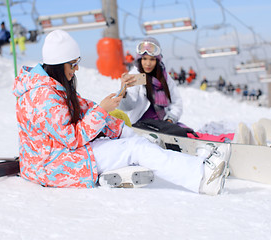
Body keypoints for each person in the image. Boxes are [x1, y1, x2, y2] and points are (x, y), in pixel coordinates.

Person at [12, 30, 228, 195]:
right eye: (73, 64)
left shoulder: (53, 86)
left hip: (60, 156)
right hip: (54, 165)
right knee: (135, 149)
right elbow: (71, 137)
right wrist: (103, 112)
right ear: (59, 64)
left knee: (135, 142)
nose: (76, 68)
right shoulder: (43, 96)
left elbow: (86, 108)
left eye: (78, 63)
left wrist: (120, 129)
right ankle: (202, 177)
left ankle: (172, 160)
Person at [119, 37, 183, 125]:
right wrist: (124, 93)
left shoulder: (164, 77)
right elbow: (128, 106)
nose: (148, 63)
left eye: (152, 59)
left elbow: (176, 103)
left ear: (157, 60)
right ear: (140, 59)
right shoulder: (136, 75)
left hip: (163, 124)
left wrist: (170, 119)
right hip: (141, 124)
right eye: (144, 59)